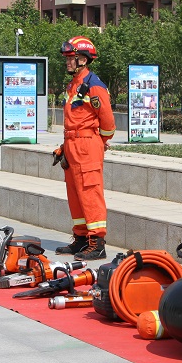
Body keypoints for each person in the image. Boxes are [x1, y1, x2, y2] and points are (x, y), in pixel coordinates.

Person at [54, 36, 116, 261]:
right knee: (75, 194)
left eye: (72, 58)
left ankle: (97, 243)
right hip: (72, 145)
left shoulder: (94, 86)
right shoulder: (73, 85)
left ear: (84, 59)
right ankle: (81, 238)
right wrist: (65, 146)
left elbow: (108, 123)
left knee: (90, 193)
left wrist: (98, 141)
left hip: (87, 146)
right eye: (68, 58)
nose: (68, 62)